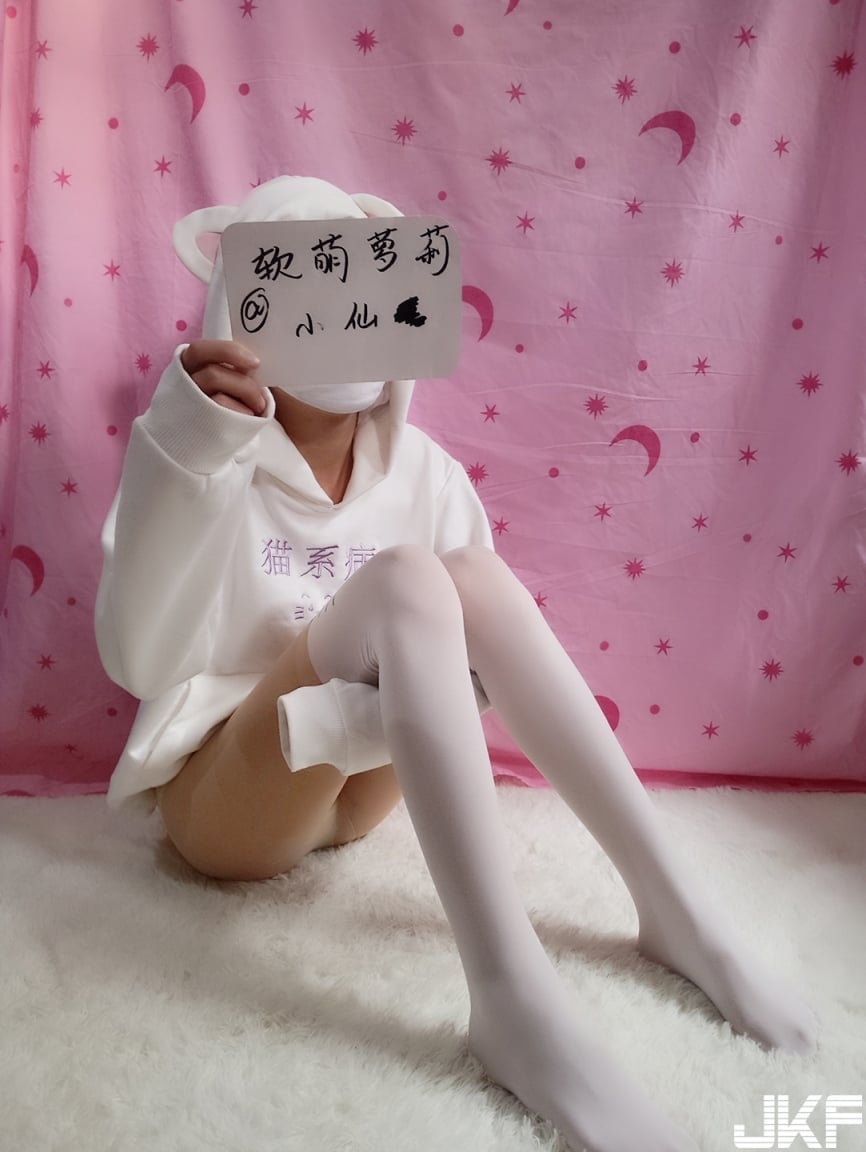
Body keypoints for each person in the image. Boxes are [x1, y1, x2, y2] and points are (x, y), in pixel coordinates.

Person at [95, 176, 818, 1152]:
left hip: (363, 779)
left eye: (368, 285)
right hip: (236, 797)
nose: (347, 317)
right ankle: (512, 995)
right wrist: (188, 449)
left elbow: (480, 670)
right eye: (310, 286)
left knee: (467, 572)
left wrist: (357, 720)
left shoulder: (425, 473)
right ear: (247, 306)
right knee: (406, 577)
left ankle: (677, 908)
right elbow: (138, 660)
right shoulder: (202, 461)